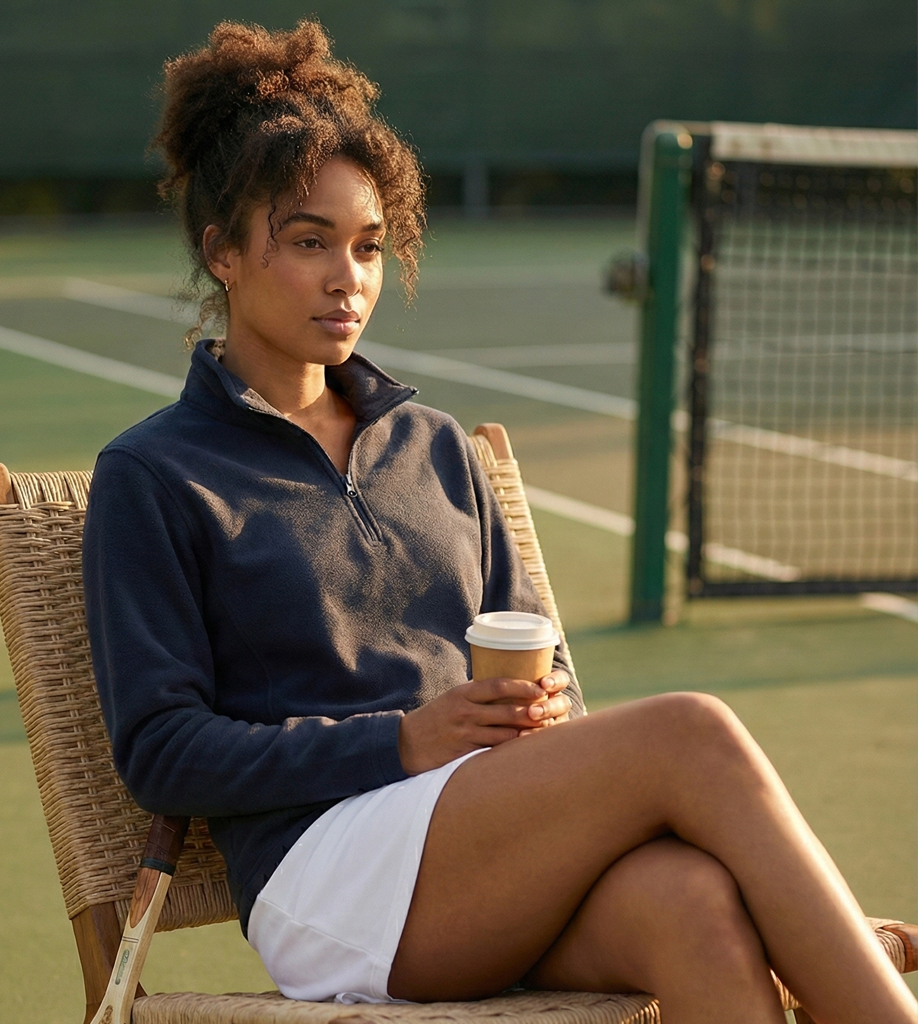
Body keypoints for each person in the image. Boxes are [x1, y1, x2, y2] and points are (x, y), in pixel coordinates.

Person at [82, 20, 917, 1024]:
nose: (348, 277)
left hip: (485, 844)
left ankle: (813, 943)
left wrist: (528, 721)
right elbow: (163, 750)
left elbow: (540, 674)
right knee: (691, 731)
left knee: (692, 909)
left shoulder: (436, 446)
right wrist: (400, 741)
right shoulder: (155, 473)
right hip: (325, 872)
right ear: (220, 250)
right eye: (308, 242)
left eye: (368, 247)